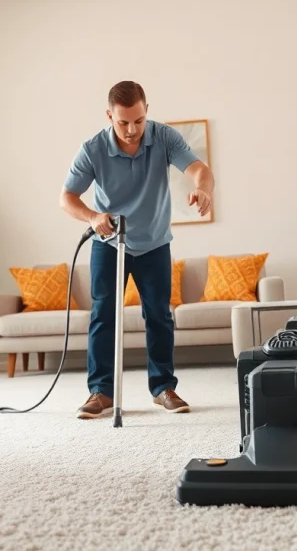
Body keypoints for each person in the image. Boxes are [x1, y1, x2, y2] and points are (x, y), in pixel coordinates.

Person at [59, 80, 215, 419]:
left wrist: (203, 190)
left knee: (158, 314)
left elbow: (199, 170)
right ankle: (100, 393)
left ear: (147, 113)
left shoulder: (164, 138)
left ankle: (163, 388)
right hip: (108, 243)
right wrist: (93, 216)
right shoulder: (92, 149)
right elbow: (67, 198)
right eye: (123, 122)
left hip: (154, 243)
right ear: (109, 116)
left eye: (139, 121)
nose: (132, 130)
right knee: (104, 315)